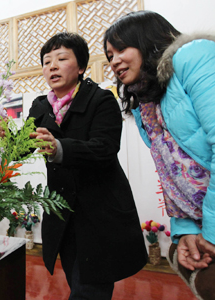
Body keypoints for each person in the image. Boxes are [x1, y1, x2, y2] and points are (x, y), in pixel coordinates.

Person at [0, 32, 147, 299]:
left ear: (80, 67)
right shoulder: (41, 106)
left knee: (90, 288)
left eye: (61, 58)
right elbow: (26, 146)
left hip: (98, 213)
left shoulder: (101, 100)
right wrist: (8, 137)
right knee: (77, 281)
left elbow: (105, 148)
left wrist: (59, 148)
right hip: (63, 214)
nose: (52, 66)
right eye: (46, 61)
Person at [104, 11, 215, 299]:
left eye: (121, 49)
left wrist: (211, 234)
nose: (114, 61)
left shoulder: (193, 56)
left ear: (147, 41)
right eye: (109, 55)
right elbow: (172, 174)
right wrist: (186, 233)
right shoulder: (144, 101)